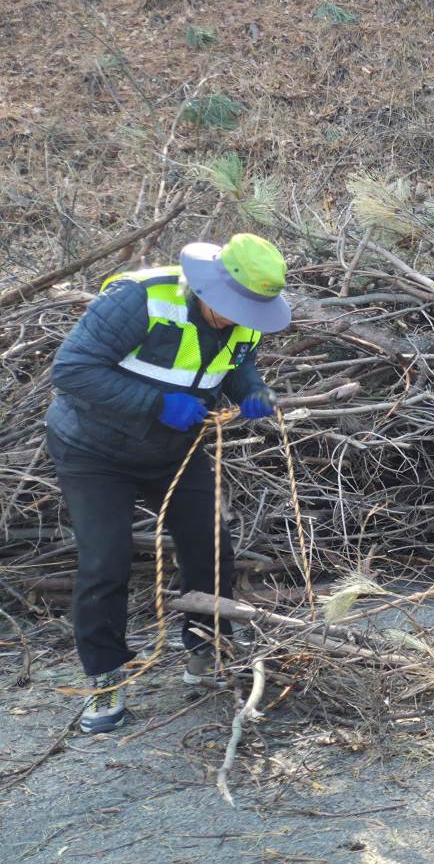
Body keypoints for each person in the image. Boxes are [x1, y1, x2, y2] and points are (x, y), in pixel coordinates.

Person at [46, 234, 291, 733]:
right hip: (93, 449)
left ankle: (205, 650)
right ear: (207, 286)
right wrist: (158, 404)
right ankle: (104, 679)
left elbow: (238, 364)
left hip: (173, 452)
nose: (236, 317)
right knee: (105, 559)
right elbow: (71, 369)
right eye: (230, 306)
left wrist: (251, 391)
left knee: (211, 546)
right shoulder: (142, 298)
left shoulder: (246, 322)